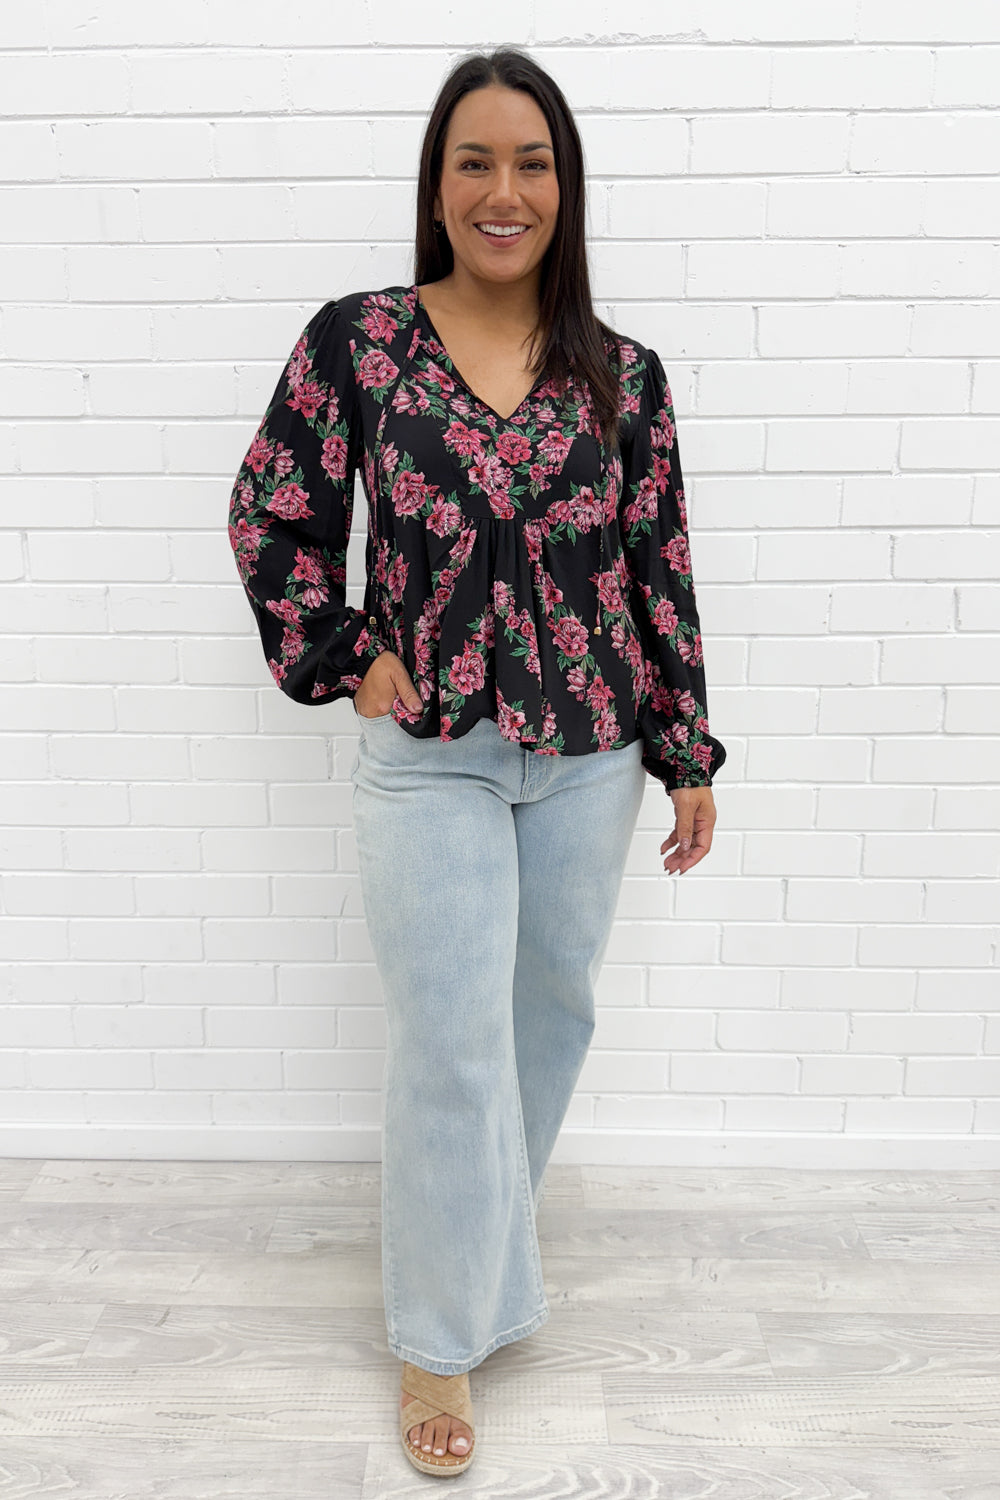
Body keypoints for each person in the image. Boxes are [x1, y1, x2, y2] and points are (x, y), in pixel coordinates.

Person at [227, 46, 726, 1479]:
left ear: (565, 189)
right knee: (451, 1040)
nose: (505, 191)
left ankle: (477, 1247)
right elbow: (272, 511)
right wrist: (348, 655)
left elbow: (657, 564)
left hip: (592, 750)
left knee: (551, 1012)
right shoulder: (362, 344)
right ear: (438, 187)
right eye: (475, 162)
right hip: (432, 747)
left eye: (532, 163)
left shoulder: (623, 374)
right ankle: (440, 1337)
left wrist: (685, 749)